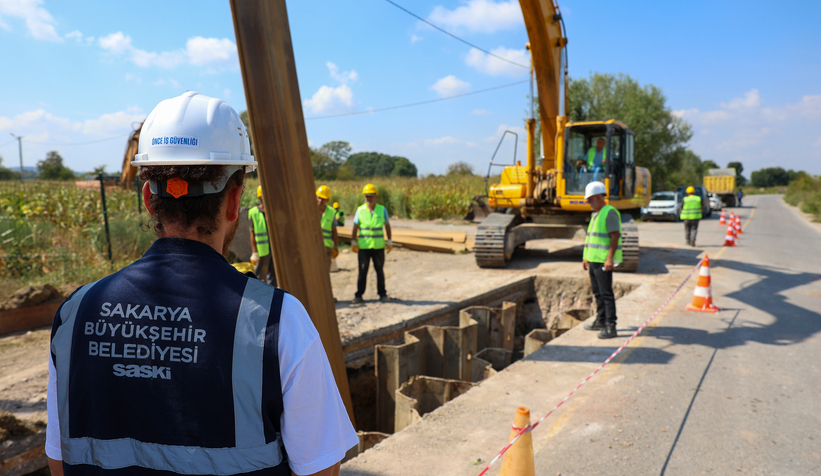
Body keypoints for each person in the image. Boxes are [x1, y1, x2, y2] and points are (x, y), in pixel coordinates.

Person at [46, 92, 357, 476]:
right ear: (233, 202)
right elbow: (320, 469)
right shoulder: (277, 320)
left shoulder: (75, 314)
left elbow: (59, 460)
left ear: (148, 198)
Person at [581, 181, 621, 339]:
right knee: (598, 293)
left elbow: (615, 236)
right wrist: (585, 257)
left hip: (603, 261)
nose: (588, 202)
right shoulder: (596, 214)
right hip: (593, 260)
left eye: (590, 199)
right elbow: (590, 239)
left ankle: (611, 326)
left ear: (598, 197)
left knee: (606, 294)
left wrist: (609, 258)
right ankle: (601, 320)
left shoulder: (609, 212)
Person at [351, 183, 392, 304]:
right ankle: (359, 295)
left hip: (378, 246)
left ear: (376, 197)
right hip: (364, 246)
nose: (369, 198)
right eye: (367, 196)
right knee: (362, 271)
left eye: (371, 196)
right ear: (364, 197)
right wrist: (353, 241)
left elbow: (387, 225)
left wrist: (389, 240)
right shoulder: (360, 210)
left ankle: (382, 294)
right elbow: (355, 226)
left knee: (380, 270)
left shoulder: (382, 209)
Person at [249, 185, 276, 286]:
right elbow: (252, 233)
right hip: (262, 250)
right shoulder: (254, 212)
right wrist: (254, 252)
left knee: (273, 276)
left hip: (274, 250)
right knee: (260, 276)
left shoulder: (273, 211)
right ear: (260, 197)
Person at [316, 185, 339, 266]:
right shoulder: (309, 209)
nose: (320, 200)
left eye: (323, 198)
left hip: (326, 246)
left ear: (327, 200)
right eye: (319, 197)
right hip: (312, 245)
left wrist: (335, 246)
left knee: (325, 271)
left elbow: (334, 231)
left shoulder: (331, 212)